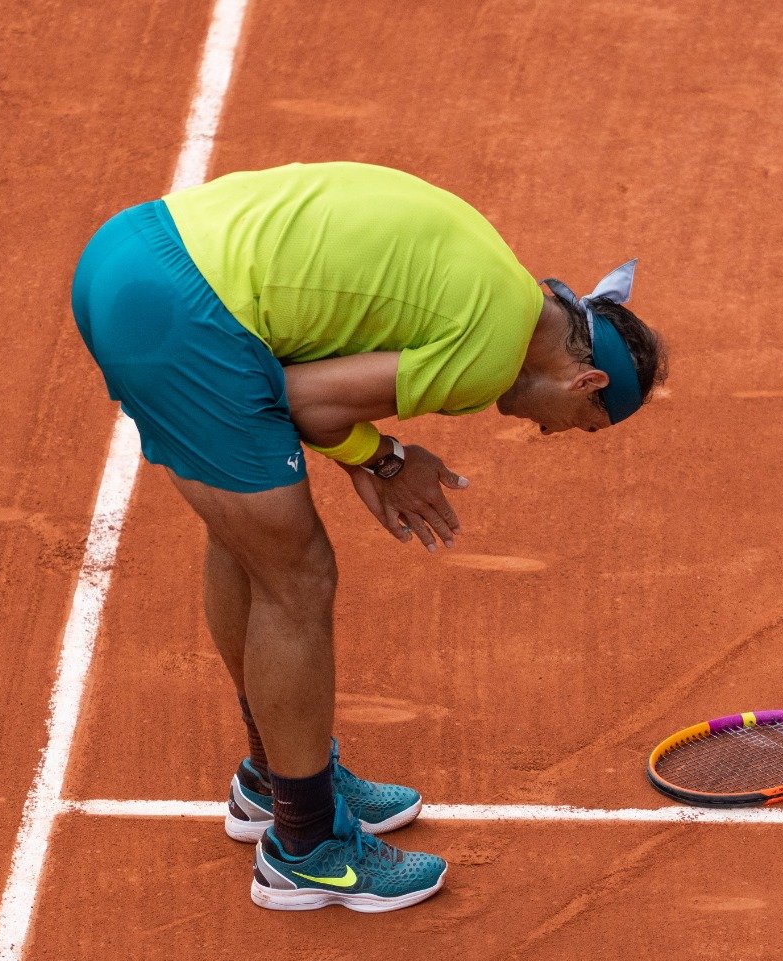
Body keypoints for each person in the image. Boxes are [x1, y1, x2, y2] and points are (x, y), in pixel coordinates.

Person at [70, 162, 666, 912]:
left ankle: (280, 777)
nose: (543, 430)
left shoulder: (502, 281)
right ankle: (306, 847)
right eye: (572, 425)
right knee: (299, 576)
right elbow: (303, 401)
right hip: (179, 314)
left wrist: (370, 457)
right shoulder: (485, 360)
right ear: (588, 384)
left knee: (247, 543)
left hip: (128, 255)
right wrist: (384, 461)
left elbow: (303, 364)